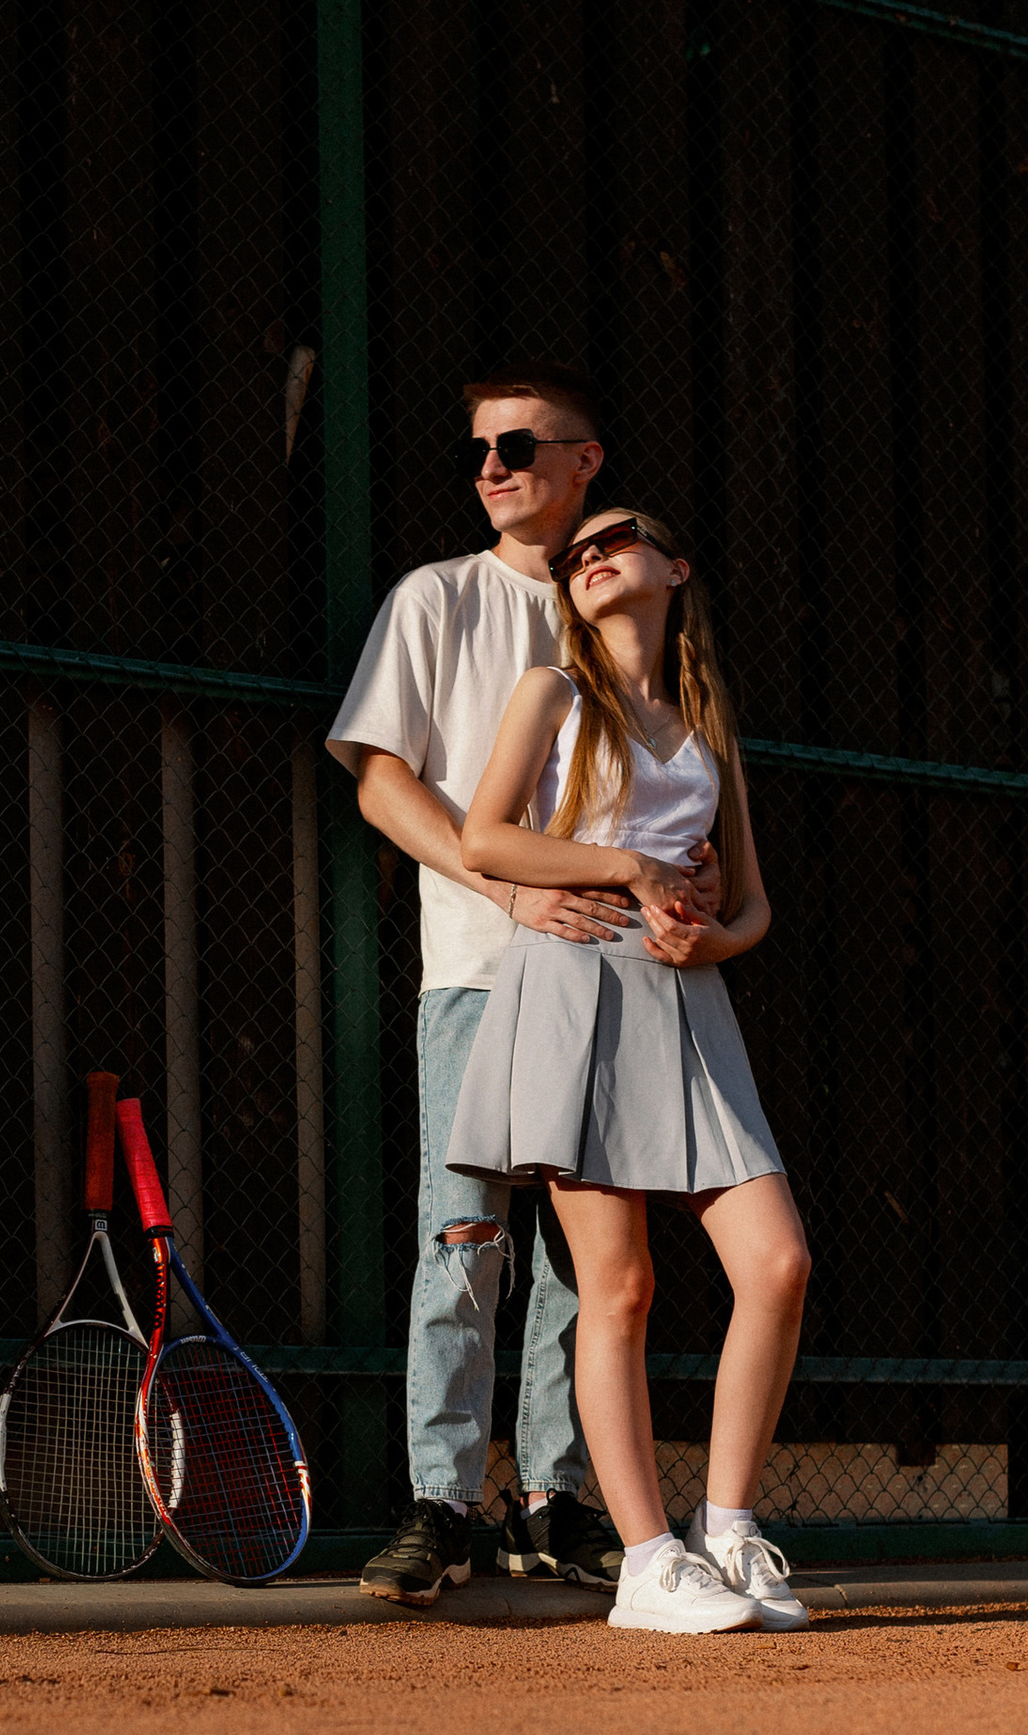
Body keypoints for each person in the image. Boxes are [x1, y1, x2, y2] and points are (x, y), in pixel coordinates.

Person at [324, 368, 721, 1607]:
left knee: (583, 1261)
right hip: (479, 969)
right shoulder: (436, 597)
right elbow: (381, 783)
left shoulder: (615, 612)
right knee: (464, 1234)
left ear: (584, 459)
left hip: (608, 983)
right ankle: (442, 1501)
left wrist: (689, 885)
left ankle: (554, 1499)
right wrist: (508, 893)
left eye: (515, 444)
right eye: (478, 450)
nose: (489, 466)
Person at [449, 502, 813, 1635]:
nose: (593, 556)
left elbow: (750, 903)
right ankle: (648, 1564)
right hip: (574, 987)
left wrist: (714, 936)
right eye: (577, 555)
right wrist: (629, 867)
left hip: (687, 999)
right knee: (618, 1287)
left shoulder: (708, 721)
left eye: (617, 538)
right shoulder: (552, 691)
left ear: (674, 567)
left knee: (779, 1262)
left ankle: (728, 1529)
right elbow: (482, 837)